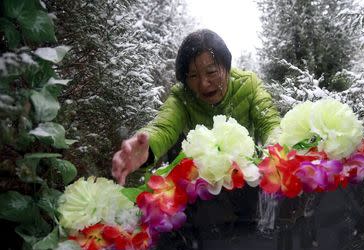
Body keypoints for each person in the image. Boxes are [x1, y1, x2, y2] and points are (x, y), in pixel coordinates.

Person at [111, 29, 280, 185]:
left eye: (211, 72)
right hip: (202, 186)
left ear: (227, 67)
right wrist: (147, 149)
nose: (204, 84)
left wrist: (276, 151)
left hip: (247, 180)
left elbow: (270, 123)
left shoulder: (248, 85)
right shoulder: (182, 96)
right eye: (193, 75)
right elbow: (163, 126)